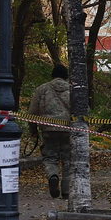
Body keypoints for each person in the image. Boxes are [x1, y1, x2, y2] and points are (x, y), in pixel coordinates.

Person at [28, 64, 72, 198]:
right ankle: (66, 190)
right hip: (68, 129)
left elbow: (32, 112)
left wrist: (33, 130)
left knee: (50, 157)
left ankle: (53, 175)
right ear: (66, 76)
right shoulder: (73, 90)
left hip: (48, 129)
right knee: (68, 159)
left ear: (52, 75)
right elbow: (84, 111)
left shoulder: (42, 89)